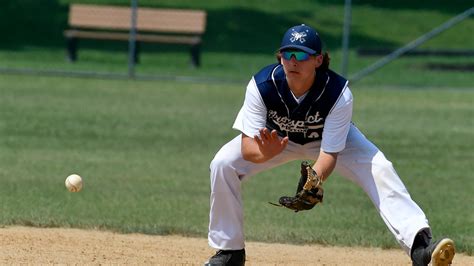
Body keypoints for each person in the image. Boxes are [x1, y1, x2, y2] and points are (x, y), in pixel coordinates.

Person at [204, 24, 455, 266]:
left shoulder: (337, 92)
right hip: (277, 141)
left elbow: (330, 153)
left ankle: (420, 248)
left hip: (328, 141)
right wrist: (264, 152)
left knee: (380, 169)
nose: (293, 60)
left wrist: (315, 179)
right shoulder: (262, 85)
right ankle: (229, 252)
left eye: (302, 54)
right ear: (279, 58)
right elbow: (249, 147)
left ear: (318, 60)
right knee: (223, 164)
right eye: (287, 53)